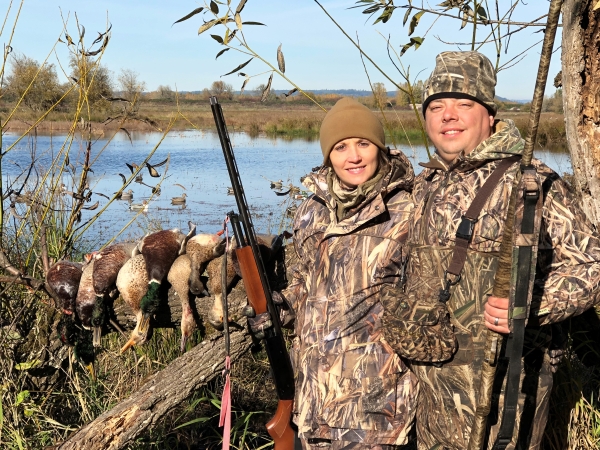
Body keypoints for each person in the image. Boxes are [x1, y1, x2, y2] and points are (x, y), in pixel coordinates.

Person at [381, 51, 600, 450]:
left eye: (464, 104)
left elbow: (592, 267)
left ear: (490, 116)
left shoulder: (531, 182)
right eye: (436, 106)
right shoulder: (426, 183)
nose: (448, 115)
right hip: (427, 395)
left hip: (501, 396)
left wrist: (530, 303)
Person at [279, 97, 418, 449]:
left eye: (363, 144)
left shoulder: (409, 209)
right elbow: (304, 282)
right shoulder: (312, 210)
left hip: (375, 411)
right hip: (312, 403)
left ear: (380, 148)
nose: (353, 156)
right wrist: (277, 305)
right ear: (329, 155)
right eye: (340, 147)